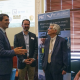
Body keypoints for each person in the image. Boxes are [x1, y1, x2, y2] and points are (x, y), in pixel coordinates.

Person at [0, 14, 27, 80]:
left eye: (8, 20)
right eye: (6, 20)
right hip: (2, 71)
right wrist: (14, 51)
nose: (8, 22)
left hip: (5, 70)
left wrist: (15, 51)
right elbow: (1, 52)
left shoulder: (2, 33)